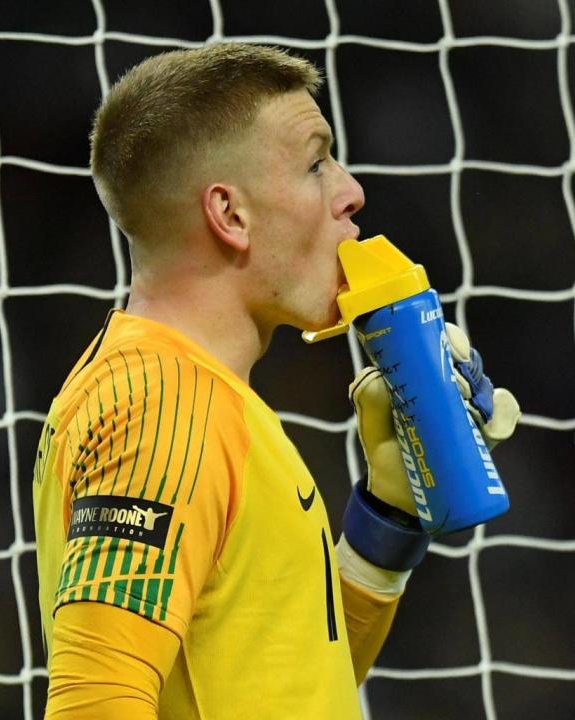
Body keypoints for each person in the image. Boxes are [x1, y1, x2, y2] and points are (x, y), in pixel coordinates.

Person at [32, 43, 519, 719]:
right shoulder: (163, 407)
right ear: (230, 214)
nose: (351, 190)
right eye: (316, 163)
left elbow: (291, 686)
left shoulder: (201, 397)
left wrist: (390, 513)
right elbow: (96, 705)